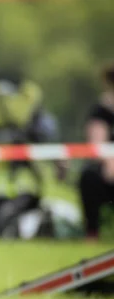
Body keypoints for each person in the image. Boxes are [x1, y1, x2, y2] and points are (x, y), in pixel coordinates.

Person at [78, 61, 114, 240]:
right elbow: (97, 143)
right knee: (89, 178)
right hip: (107, 167)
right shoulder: (101, 111)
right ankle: (92, 233)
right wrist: (110, 162)